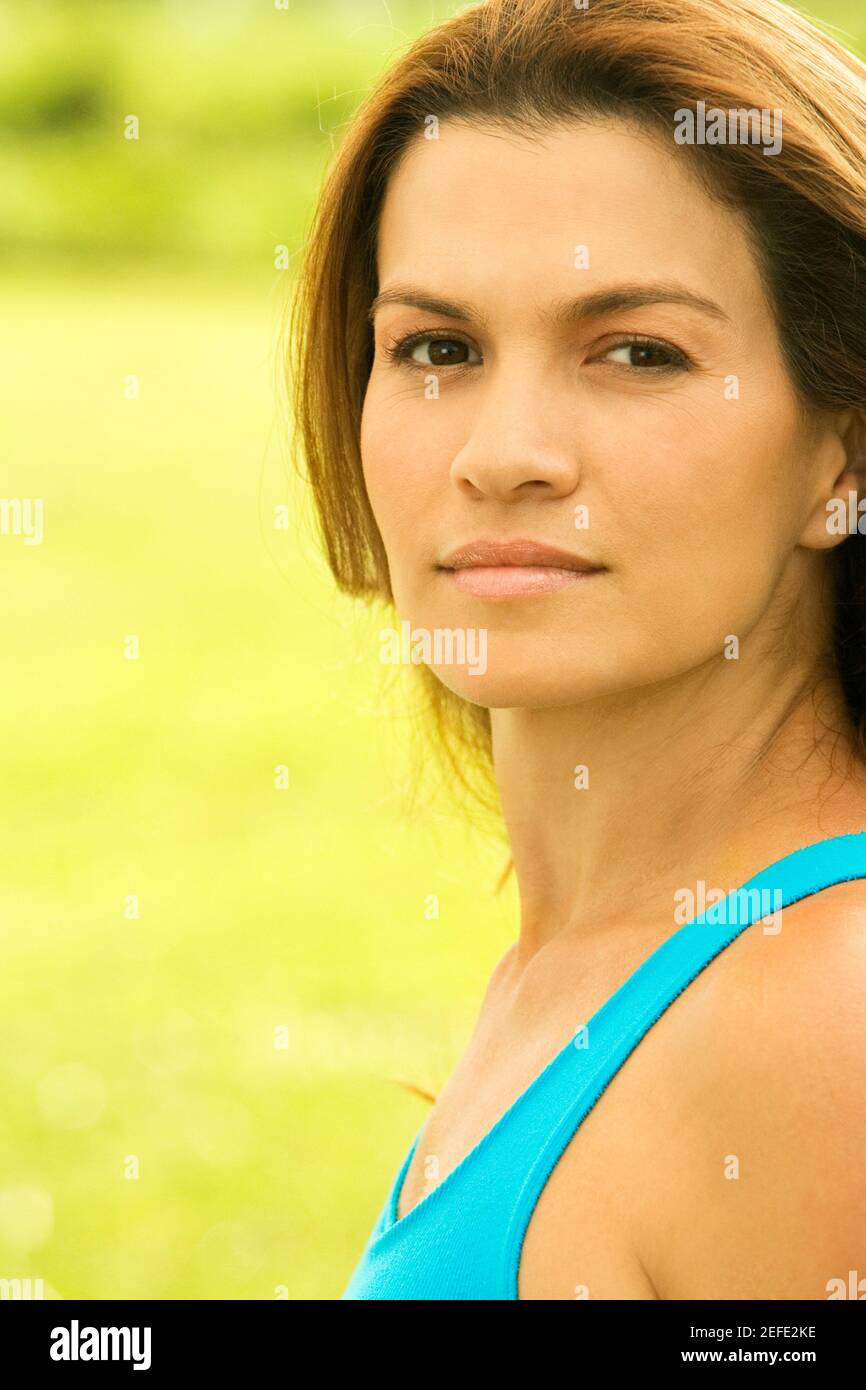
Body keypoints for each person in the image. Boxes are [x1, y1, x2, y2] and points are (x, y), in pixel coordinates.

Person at [288, 0, 866, 1299]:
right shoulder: (611, 956)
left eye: (636, 352)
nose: (502, 454)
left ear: (846, 450)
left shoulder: (817, 1022)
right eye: (436, 348)